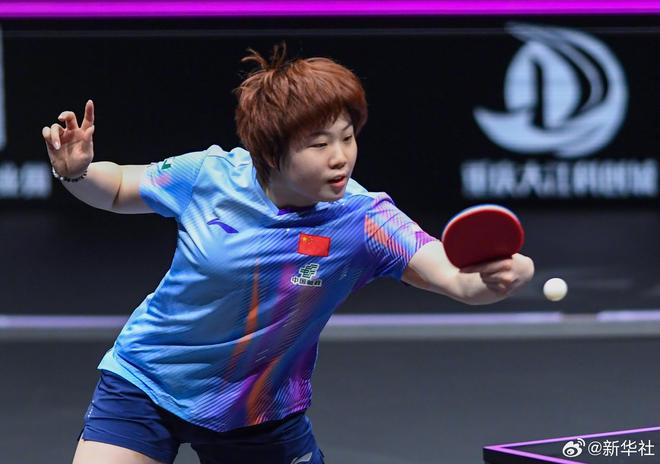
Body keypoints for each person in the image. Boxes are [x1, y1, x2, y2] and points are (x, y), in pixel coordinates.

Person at [43, 45, 534, 464]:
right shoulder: (209, 177)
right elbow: (118, 188)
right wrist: (76, 172)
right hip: (147, 380)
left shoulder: (364, 220)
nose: (340, 157)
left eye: (347, 137)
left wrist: (498, 276)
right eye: (319, 144)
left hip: (258, 411)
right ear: (272, 151)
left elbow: (452, 276)